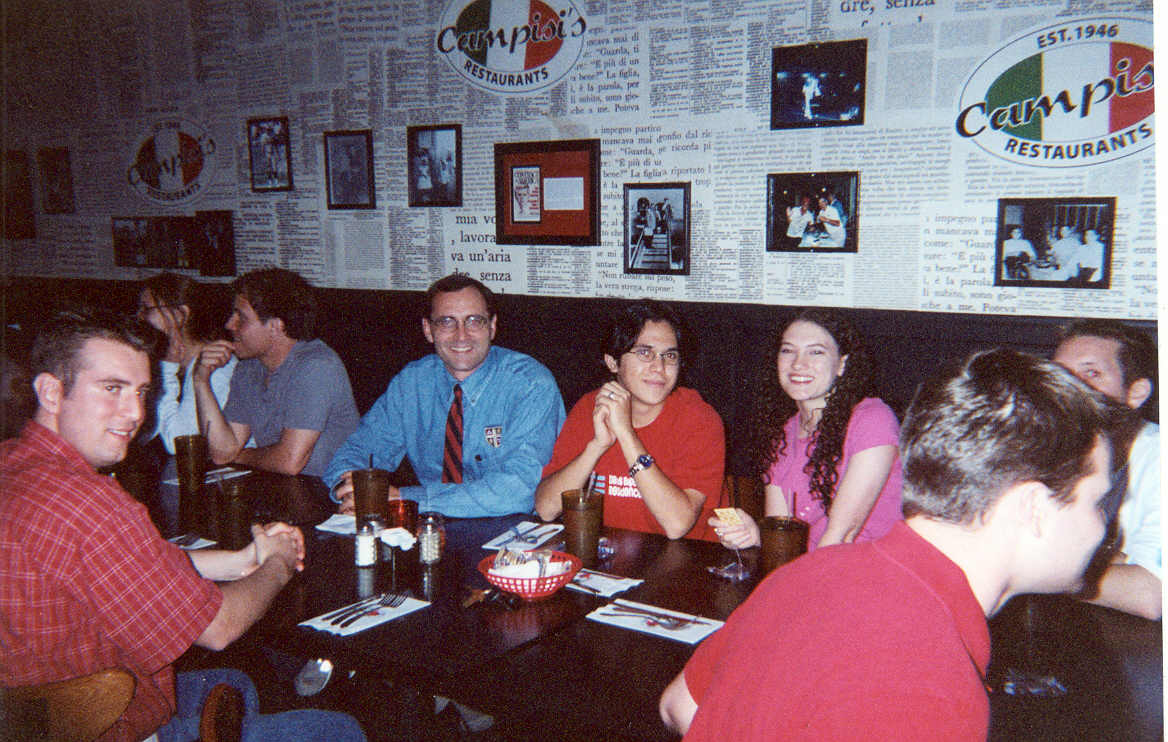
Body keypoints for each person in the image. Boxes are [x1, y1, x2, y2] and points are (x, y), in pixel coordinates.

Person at [660, 348, 1126, 741]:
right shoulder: (931, 687)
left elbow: (679, 706)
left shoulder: (812, 570)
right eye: (1098, 501)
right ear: (1032, 508)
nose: (1104, 528)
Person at [0, 308, 365, 742]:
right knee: (337, 728)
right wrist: (278, 564)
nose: (133, 413)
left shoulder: (15, 462)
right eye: (111, 389)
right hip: (96, 724)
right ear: (51, 391)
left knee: (237, 685)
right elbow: (219, 627)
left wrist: (238, 560)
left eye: (141, 392)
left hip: (28, 713)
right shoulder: (91, 504)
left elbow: (113, 565)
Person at [324, 274, 564, 520]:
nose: (462, 335)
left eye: (474, 321)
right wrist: (348, 489)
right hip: (430, 527)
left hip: (515, 531)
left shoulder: (531, 385)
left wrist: (408, 499)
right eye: (447, 322)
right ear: (428, 330)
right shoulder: (412, 382)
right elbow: (359, 450)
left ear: (492, 327)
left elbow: (520, 490)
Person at [711, 309, 902, 551]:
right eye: (788, 350)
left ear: (842, 365)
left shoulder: (873, 420)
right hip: (810, 567)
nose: (799, 364)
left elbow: (841, 537)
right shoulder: (783, 433)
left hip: (866, 570)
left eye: (816, 352)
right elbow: (783, 534)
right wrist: (757, 535)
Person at [535, 300, 725, 540]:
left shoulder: (699, 419)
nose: (660, 367)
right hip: (609, 564)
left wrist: (626, 434)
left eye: (670, 355)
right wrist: (596, 447)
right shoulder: (589, 407)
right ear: (613, 362)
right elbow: (546, 508)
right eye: (645, 353)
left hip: (682, 565)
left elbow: (677, 525)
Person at [195, 268, 359, 479]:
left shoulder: (317, 366)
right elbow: (221, 452)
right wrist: (200, 380)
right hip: (285, 488)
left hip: (331, 494)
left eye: (241, 317)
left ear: (276, 326)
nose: (229, 324)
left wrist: (239, 455)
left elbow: (289, 462)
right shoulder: (248, 367)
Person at [1054, 319, 1160, 619]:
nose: (1068, 388)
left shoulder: (1158, 456)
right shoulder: (1044, 445)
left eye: (1091, 374)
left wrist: (1033, 567)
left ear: (1136, 393)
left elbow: (1150, 593)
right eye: (1060, 374)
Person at [137, 273, 236, 455]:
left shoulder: (216, 365)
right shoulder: (162, 362)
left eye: (146, 309)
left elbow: (179, 443)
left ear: (180, 314)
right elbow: (144, 434)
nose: (139, 317)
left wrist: (167, 369)